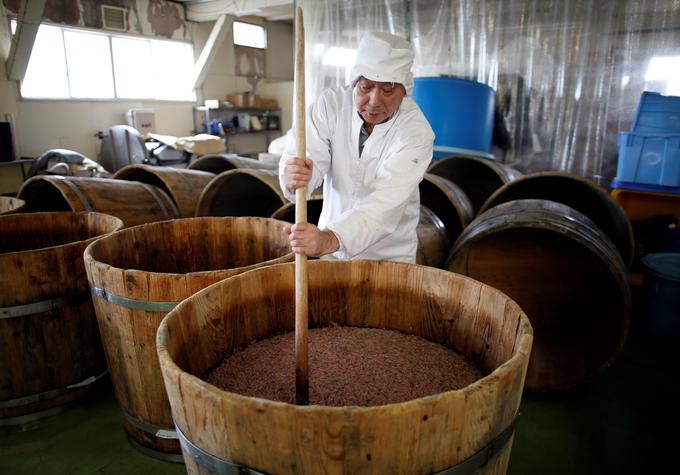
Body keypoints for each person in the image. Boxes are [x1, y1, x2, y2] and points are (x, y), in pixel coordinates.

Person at [279, 31, 434, 263]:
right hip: (330, 252)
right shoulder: (330, 106)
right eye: (366, 87)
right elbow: (307, 156)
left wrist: (330, 239)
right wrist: (295, 175)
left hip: (388, 256)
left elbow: (385, 203)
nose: (374, 101)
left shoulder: (415, 132)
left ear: (405, 90)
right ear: (354, 83)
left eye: (388, 90)